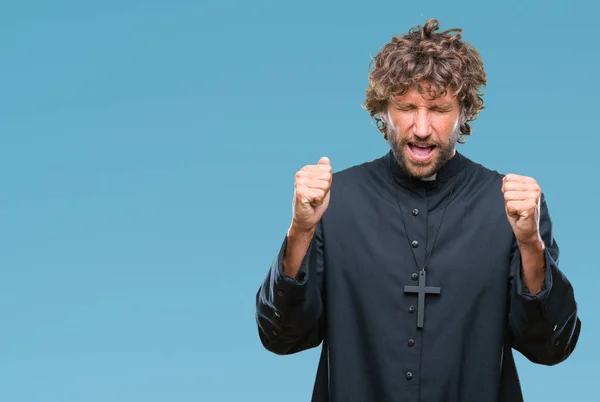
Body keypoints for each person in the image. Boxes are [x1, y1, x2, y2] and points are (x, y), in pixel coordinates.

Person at [254, 18, 581, 402]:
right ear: (383, 109)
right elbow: (280, 337)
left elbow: (551, 347)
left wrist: (530, 245)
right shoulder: (332, 201)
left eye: (439, 109)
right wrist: (300, 231)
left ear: (464, 112)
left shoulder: (511, 207)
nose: (422, 128)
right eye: (406, 107)